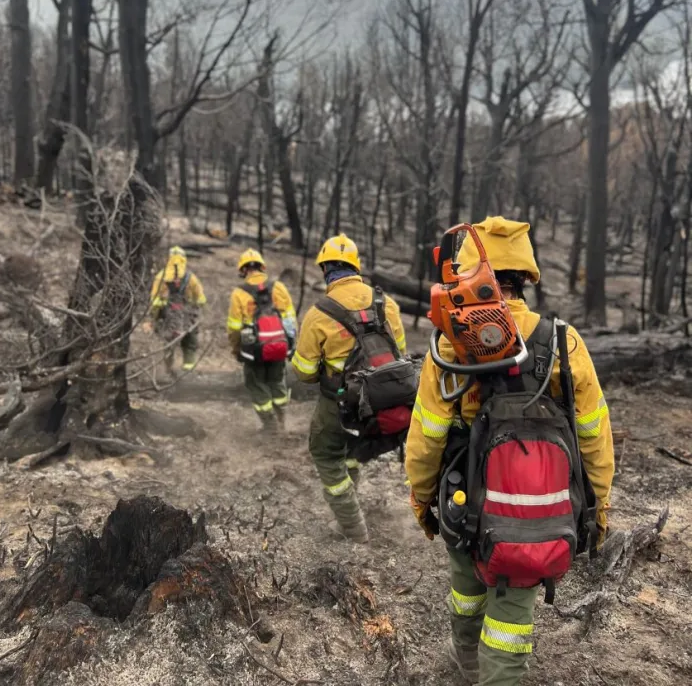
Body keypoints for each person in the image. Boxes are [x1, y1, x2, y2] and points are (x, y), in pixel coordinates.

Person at [405, 217, 615, 686]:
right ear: (526, 275)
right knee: (510, 621)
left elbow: (427, 437)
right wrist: (598, 505)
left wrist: (421, 498)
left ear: (466, 271)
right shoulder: (564, 342)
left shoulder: (449, 345)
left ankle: (464, 664)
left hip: (464, 502)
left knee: (466, 592)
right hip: (539, 509)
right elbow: (594, 435)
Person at [292, 234, 407, 544]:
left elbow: (303, 372)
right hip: (381, 401)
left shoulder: (319, 313)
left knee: (327, 456)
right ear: (356, 268)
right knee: (354, 452)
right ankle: (352, 501)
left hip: (339, 402)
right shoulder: (388, 304)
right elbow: (401, 356)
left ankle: (353, 529)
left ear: (326, 269)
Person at [227, 249, 297, 431]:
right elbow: (290, 320)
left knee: (256, 383)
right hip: (279, 345)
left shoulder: (239, 294)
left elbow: (234, 328)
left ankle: (270, 425)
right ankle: (281, 420)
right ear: (262, 267)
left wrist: (236, 349)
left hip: (253, 350)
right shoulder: (279, 287)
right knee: (277, 380)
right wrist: (289, 344)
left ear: (242, 270)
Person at [150, 245, 207, 372]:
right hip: (188, 317)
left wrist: (154, 317)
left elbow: (154, 302)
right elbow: (201, 299)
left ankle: (168, 370)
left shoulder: (161, 276)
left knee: (168, 344)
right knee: (190, 344)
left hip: (167, 318)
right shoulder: (191, 278)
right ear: (184, 259)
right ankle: (188, 370)